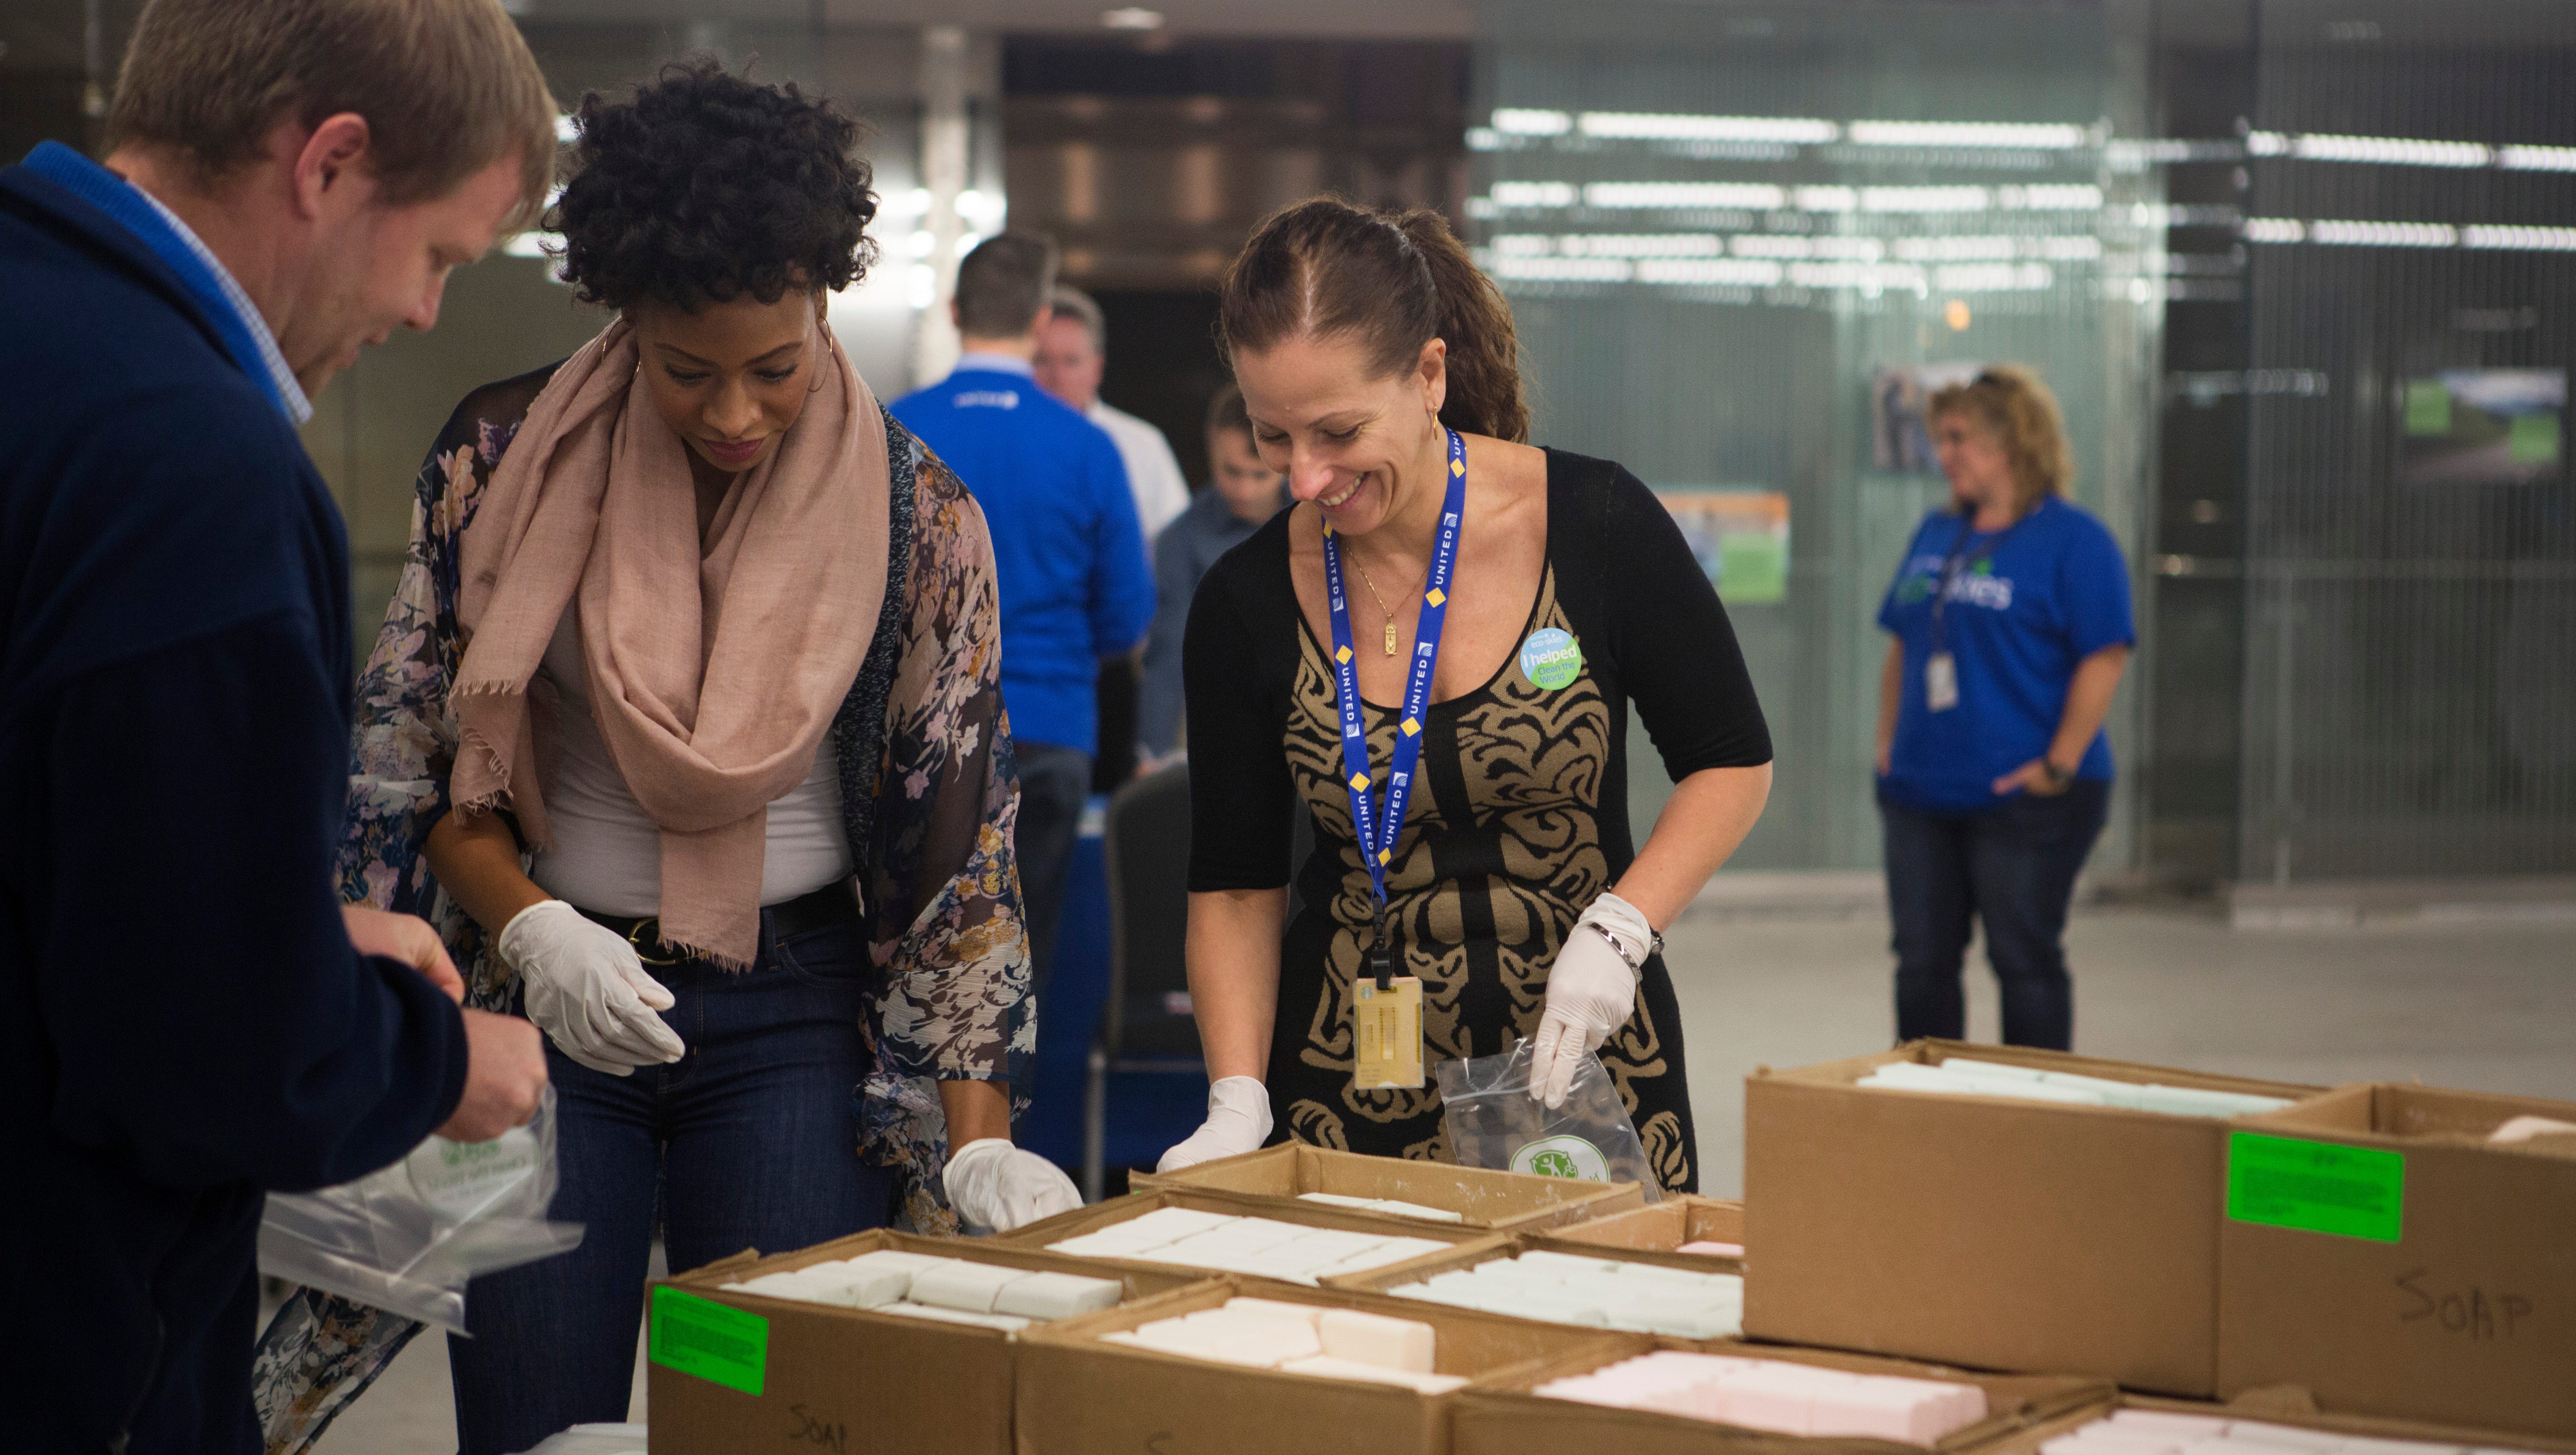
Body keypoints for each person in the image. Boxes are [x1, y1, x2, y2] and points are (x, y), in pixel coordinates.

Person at [249, 65, 1078, 1455]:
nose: (736, 412)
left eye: (775, 365)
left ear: (825, 302)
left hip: (796, 1022)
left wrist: (976, 1132)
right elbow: (417, 783)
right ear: (623, 316)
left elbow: (963, 858)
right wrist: (541, 929)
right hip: (540, 1017)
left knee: (770, 1420)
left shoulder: (920, 518)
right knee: (532, 1415)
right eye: (688, 369)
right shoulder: (498, 464)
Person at [0, 0, 554, 1449]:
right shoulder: (189, 459)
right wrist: (432, 1063)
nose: (428, 310)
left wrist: (293, 940)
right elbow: (206, 1060)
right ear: (329, 164)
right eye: (436, 252)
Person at [1155, 199, 1774, 1193]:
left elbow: (1729, 760)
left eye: (1339, 430)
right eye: (1273, 436)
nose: (1306, 477)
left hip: (1586, 1057)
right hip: (1347, 1076)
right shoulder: (1243, 601)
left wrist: (1623, 925)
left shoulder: (1593, 523)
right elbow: (1233, 884)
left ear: (1429, 374)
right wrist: (1236, 1097)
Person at [893, 234, 1156, 989]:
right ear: (1041, 323)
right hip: (1050, 731)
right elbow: (1124, 617)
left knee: (923, 962)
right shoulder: (1087, 446)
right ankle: (1009, 1109)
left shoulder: (892, 431)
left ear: (952, 313)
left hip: (925, 732)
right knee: (1022, 964)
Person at [1871, 365, 2133, 1051]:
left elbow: (2104, 655)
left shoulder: (2076, 541)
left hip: (2024, 795)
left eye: (1957, 437)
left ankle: (2030, 1113)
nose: (1943, 453)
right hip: (1921, 791)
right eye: (1939, 437)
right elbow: (1903, 642)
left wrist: (2057, 765)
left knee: (2023, 959)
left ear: (2012, 442)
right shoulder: (1938, 531)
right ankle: (1928, 1111)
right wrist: (1885, 748)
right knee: (1922, 961)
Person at [1137, 384, 1289, 768]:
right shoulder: (1180, 540)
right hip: (1221, 728)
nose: (1245, 490)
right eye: (1232, 471)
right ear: (1210, 447)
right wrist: (1152, 751)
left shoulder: (1322, 522)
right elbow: (1169, 649)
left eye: (1260, 476)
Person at [1035, 284, 1194, 539]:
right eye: (1042, 360)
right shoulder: (1003, 443)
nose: (1057, 376)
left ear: (1097, 367)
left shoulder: (1143, 446)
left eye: (1072, 361)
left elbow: (1178, 547)